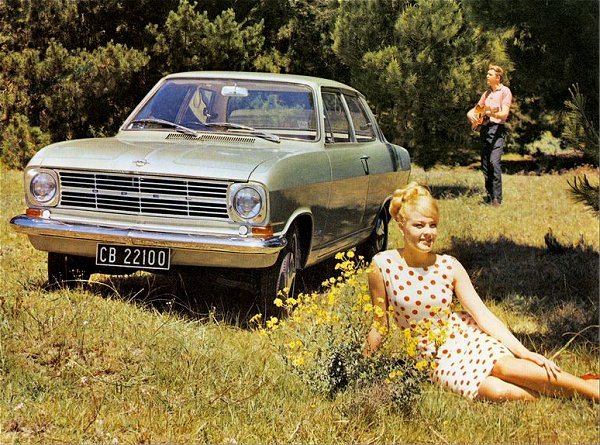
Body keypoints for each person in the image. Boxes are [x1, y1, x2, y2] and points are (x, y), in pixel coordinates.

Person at [364, 182, 599, 401]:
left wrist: (524, 352)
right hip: (432, 357)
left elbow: (482, 314)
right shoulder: (382, 265)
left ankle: (591, 392)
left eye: (432, 225)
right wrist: (361, 367)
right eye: (419, 225)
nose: (428, 232)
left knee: (506, 367)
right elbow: (379, 325)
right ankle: (572, 387)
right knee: (496, 391)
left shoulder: (449, 265)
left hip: (464, 336)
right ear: (401, 225)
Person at [467, 64, 512, 207]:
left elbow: (504, 114)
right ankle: (489, 196)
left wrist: (492, 114)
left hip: (497, 130)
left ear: (498, 77)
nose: (487, 76)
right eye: (487, 74)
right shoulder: (486, 94)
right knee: (485, 165)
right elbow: (476, 110)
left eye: (490, 74)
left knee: (494, 163)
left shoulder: (505, 91)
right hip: (485, 130)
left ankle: (497, 200)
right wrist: (471, 115)